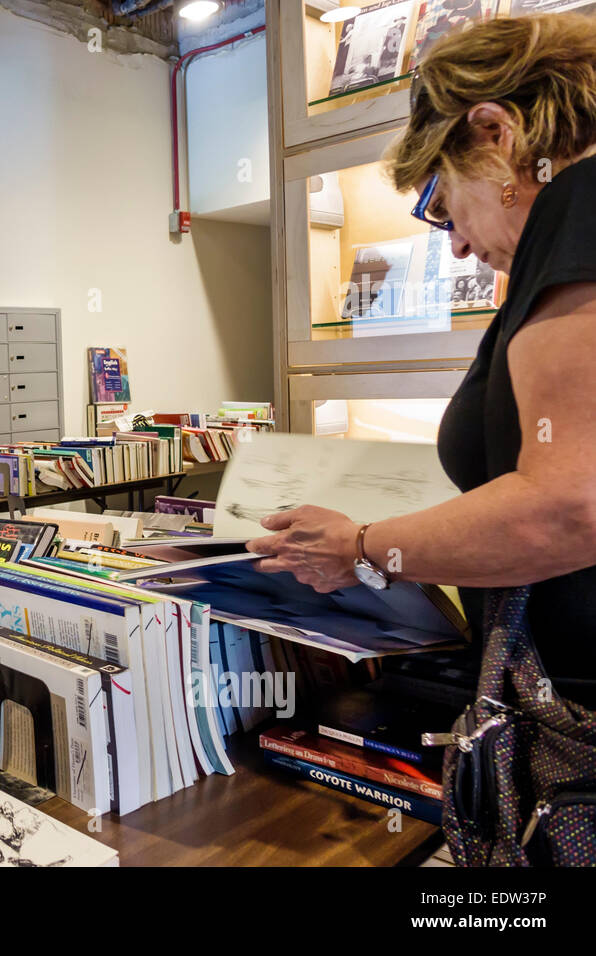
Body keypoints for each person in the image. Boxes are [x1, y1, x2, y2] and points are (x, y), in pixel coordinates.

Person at [248, 15, 596, 711]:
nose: (459, 248)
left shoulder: (577, 202)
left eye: (442, 203)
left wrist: (362, 546)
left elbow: (568, 511)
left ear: (495, 132)